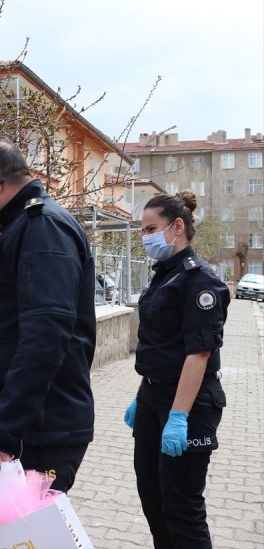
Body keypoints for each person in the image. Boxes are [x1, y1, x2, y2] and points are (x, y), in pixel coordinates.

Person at [0, 140, 96, 493]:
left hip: (39, 431)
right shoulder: (26, 227)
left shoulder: (42, 227)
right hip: (32, 428)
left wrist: (3, 431)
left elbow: (45, 338)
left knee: (33, 526)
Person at [124, 191, 229, 548]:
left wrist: (178, 415)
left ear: (177, 227)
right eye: (142, 230)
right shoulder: (164, 275)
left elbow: (199, 354)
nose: (144, 237)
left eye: (151, 229)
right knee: (152, 498)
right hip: (153, 397)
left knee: (182, 508)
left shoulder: (200, 281)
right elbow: (159, 345)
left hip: (190, 403)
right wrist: (144, 394)